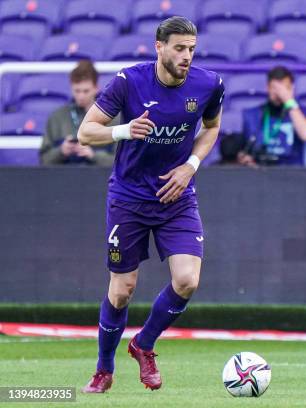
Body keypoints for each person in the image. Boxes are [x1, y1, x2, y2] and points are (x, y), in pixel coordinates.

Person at [77, 16, 224, 393]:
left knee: (188, 280)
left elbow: (211, 128)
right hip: (128, 198)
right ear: (159, 47)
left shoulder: (209, 84)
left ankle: (143, 344)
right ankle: (104, 369)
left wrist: (190, 167)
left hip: (176, 196)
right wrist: (123, 130)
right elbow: (85, 132)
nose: (187, 56)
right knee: (122, 289)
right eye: (179, 48)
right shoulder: (129, 81)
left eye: (191, 49)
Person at [39, 60, 117, 165]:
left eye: (86, 91)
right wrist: (61, 151)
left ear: (96, 88)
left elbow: (123, 163)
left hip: (100, 179)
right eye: (77, 91)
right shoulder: (57, 117)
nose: (81, 96)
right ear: (71, 88)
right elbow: (43, 160)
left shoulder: (113, 118)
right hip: (64, 178)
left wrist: (93, 155)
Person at [242, 66, 306, 165]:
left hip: (292, 172)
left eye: (285, 88)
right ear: (267, 88)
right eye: (275, 88)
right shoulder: (253, 114)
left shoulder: (304, 112)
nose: (280, 93)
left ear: (292, 88)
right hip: (261, 172)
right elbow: (246, 150)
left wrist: (289, 101)